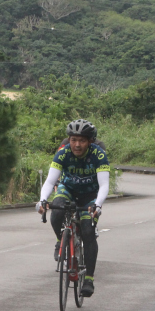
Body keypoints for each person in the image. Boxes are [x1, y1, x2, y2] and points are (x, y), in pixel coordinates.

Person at [36, 119, 110, 297]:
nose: (77, 145)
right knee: (56, 213)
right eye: (73, 140)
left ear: (90, 142)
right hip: (67, 189)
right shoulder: (63, 153)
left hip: (90, 195)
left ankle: (89, 279)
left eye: (82, 141)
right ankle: (60, 239)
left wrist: (97, 204)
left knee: (88, 231)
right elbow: (50, 181)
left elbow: (104, 185)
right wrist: (43, 200)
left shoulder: (98, 155)